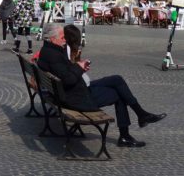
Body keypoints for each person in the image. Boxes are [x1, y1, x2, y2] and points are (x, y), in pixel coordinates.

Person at [37, 24, 165, 148]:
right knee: (119, 94)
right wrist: (79, 67)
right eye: (62, 37)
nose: (65, 39)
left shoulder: (48, 51)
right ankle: (127, 133)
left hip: (71, 92)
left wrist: (79, 67)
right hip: (76, 98)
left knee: (116, 79)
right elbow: (69, 80)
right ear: (53, 39)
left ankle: (141, 115)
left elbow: (65, 75)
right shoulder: (54, 55)